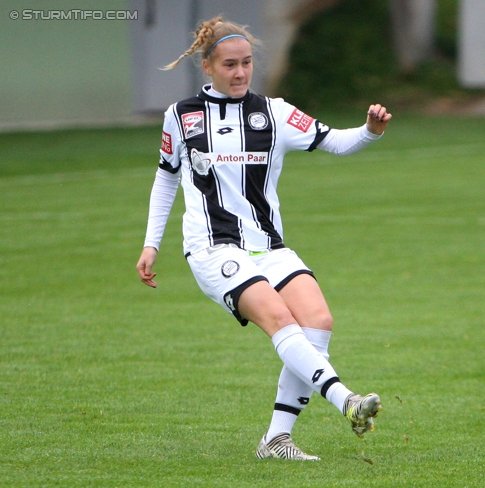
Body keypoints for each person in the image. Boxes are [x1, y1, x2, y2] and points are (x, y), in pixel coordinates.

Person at [136, 16, 392, 459]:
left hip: (269, 246)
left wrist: (370, 131)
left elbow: (335, 141)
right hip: (212, 248)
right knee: (280, 319)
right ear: (208, 67)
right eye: (230, 65)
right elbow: (166, 179)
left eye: (247, 63)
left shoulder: (274, 112)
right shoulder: (182, 116)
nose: (240, 73)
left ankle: (276, 439)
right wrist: (150, 243)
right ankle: (347, 401)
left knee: (318, 321)